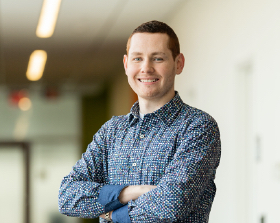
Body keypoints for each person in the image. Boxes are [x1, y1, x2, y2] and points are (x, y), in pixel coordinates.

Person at [58, 20, 221, 223]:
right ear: (126, 65)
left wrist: (111, 214)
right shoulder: (112, 131)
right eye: (137, 59)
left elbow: (170, 205)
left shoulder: (198, 127)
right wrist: (129, 192)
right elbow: (67, 196)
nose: (146, 68)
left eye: (158, 58)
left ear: (178, 64)